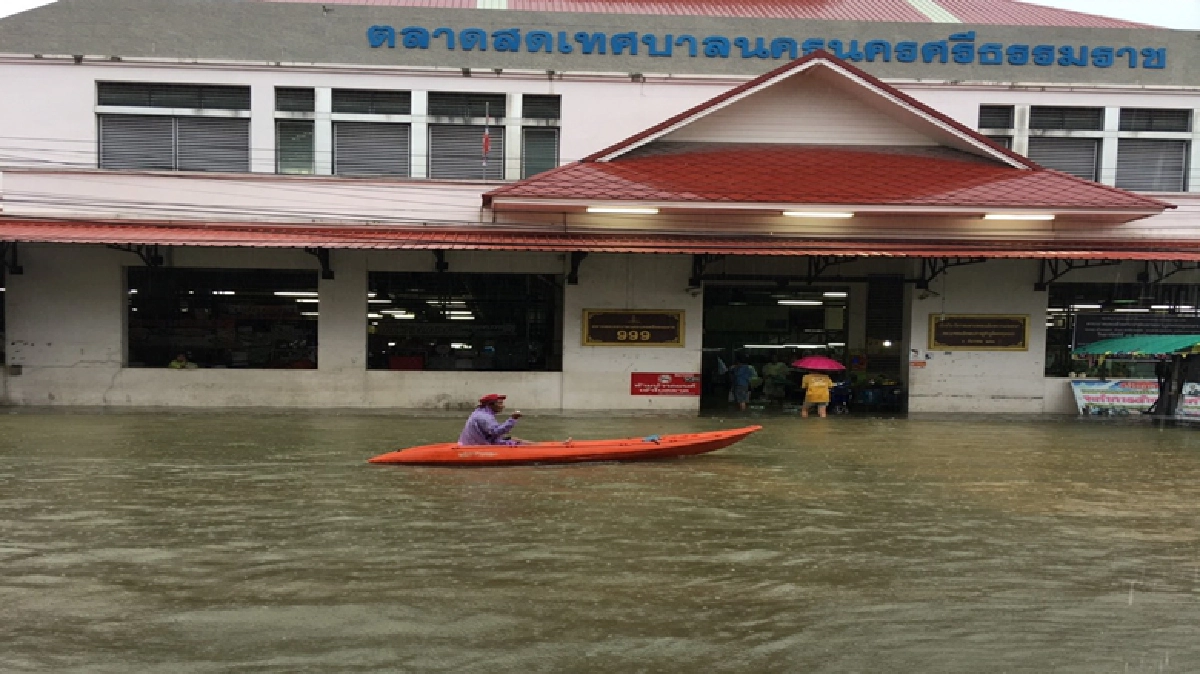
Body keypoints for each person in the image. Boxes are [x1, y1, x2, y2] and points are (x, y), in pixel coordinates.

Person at [458, 393, 525, 446]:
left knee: (514, 439)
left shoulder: (480, 413)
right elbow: (496, 431)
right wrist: (513, 419)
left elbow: (492, 434)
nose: (503, 406)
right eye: (500, 403)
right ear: (490, 405)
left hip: (472, 443)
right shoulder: (484, 417)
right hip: (476, 447)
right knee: (518, 442)